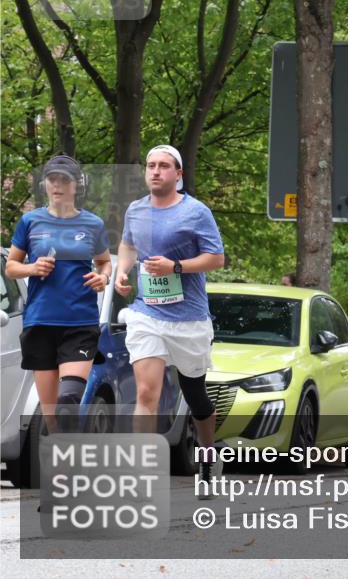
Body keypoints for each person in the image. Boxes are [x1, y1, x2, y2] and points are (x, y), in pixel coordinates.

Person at [114, 145, 226, 498]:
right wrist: (122, 271)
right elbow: (128, 245)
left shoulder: (196, 212)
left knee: (196, 398)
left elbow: (216, 259)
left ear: (179, 174)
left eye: (164, 166)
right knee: (146, 392)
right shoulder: (136, 210)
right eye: (150, 165)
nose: (156, 171)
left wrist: (176, 266)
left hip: (189, 319)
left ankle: (207, 459)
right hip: (147, 313)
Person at [7, 155, 112, 434]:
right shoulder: (30, 221)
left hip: (79, 322)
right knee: (52, 416)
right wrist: (32, 267)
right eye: (53, 179)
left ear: (76, 185)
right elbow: (11, 267)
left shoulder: (93, 224)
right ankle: (64, 465)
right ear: (45, 184)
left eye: (65, 180)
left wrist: (102, 277)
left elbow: (104, 262)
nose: (58, 185)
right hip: (40, 322)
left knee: (68, 399)